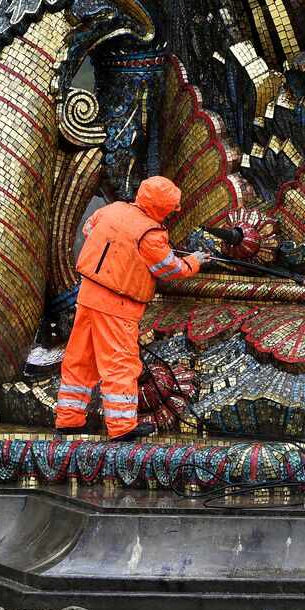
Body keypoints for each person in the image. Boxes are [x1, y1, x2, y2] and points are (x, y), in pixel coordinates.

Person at [55, 176, 210, 440]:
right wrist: (194, 261)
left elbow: (89, 230)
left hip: (89, 295)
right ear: (163, 208)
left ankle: (69, 419)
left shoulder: (112, 209)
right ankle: (122, 427)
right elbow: (169, 269)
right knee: (120, 363)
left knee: (80, 358)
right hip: (118, 305)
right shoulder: (151, 234)